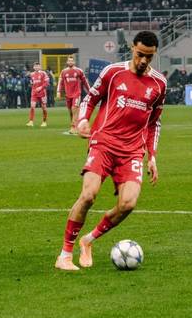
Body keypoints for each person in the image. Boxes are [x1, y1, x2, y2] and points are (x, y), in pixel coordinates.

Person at [54, 31, 167, 271]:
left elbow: (154, 123)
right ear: (132, 48)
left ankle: (88, 240)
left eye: (149, 57)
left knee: (128, 204)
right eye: (140, 54)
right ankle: (64, 255)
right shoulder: (113, 72)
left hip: (132, 151)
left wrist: (153, 156)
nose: (143, 61)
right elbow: (91, 98)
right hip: (104, 142)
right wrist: (83, 120)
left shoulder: (159, 84)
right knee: (88, 195)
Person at [56, 55, 90, 134]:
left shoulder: (79, 71)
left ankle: (73, 127)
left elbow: (85, 82)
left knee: (74, 108)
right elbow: (60, 82)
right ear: (67, 62)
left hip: (77, 93)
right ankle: (76, 126)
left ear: (74, 62)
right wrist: (58, 91)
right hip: (68, 94)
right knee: (71, 111)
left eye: (72, 61)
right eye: (69, 61)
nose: (70, 62)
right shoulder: (64, 71)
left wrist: (89, 91)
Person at [26, 61, 49, 127]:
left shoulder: (43, 73)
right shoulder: (31, 74)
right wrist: (31, 84)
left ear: (40, 67)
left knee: (44, 107)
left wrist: (40, 87)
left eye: (38, 66)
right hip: (34, 92)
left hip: (42, 93)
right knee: (32, 106)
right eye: (35, 66)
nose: (36, 67)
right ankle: (31, 121)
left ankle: (44, 121)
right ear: (33, 67)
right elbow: (31, 83)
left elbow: (47, 83)